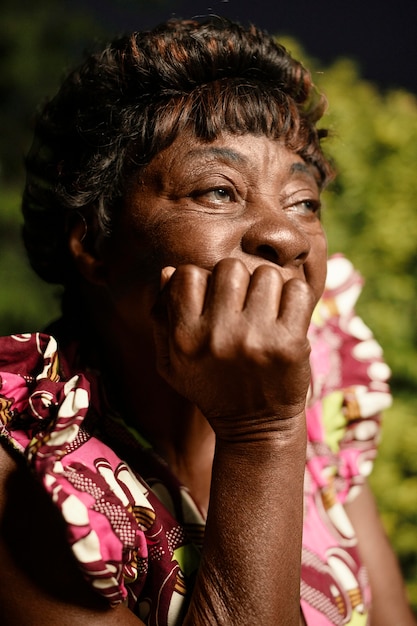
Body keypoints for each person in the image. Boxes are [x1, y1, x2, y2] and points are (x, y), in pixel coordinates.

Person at [0, 17, 414, 626]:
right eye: (218, 191)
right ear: (94, 244)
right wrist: (262, 433)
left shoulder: (319, 388)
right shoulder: (26, 483)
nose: (284, 234)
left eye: (303, 203)